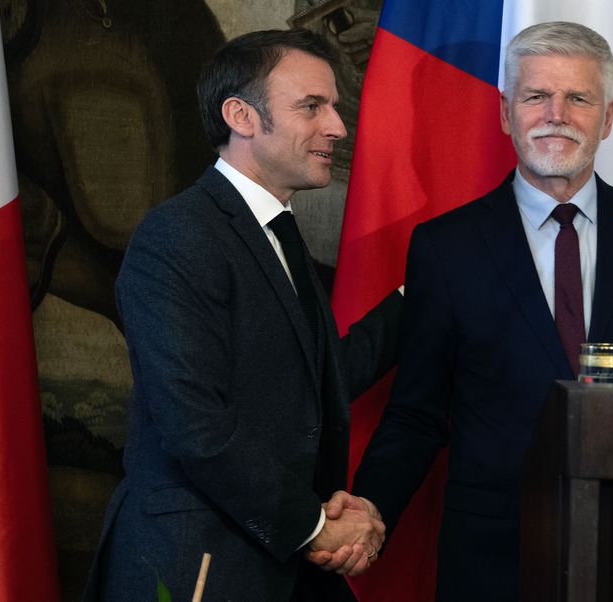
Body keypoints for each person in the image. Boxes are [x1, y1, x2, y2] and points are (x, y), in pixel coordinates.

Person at [346, 21, 613, 602]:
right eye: (536, 97)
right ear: (506, 112)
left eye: (578, 97)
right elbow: (416, 414)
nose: (557, 114)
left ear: (607, 117)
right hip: (494, 562)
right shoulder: (446, 247)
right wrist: (369, 509)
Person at [83, 29, 401, 601]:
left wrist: (418, 298)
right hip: (198, 567)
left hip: (277, 568)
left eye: (333, 106)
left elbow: (311, 382)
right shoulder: (176, 235)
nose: (338, 126)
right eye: (312, 106)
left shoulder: (278, 233)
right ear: (241, 116)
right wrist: (316, 526)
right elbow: (195, 424)